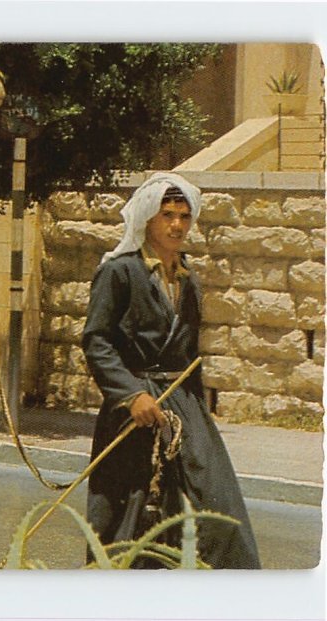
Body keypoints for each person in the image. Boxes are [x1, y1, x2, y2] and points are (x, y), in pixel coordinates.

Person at [82, 172, 261, 569]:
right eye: (167, 215)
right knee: (131, 510)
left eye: (183, 215)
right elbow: (97, 342)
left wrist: (198, 415)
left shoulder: (189, 279)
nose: (177, 224)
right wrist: (131, 395)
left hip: (184, 407)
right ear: (148, 218)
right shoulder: (119, 273)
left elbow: (188, 354)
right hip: (135, 406)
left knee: (214, 503)